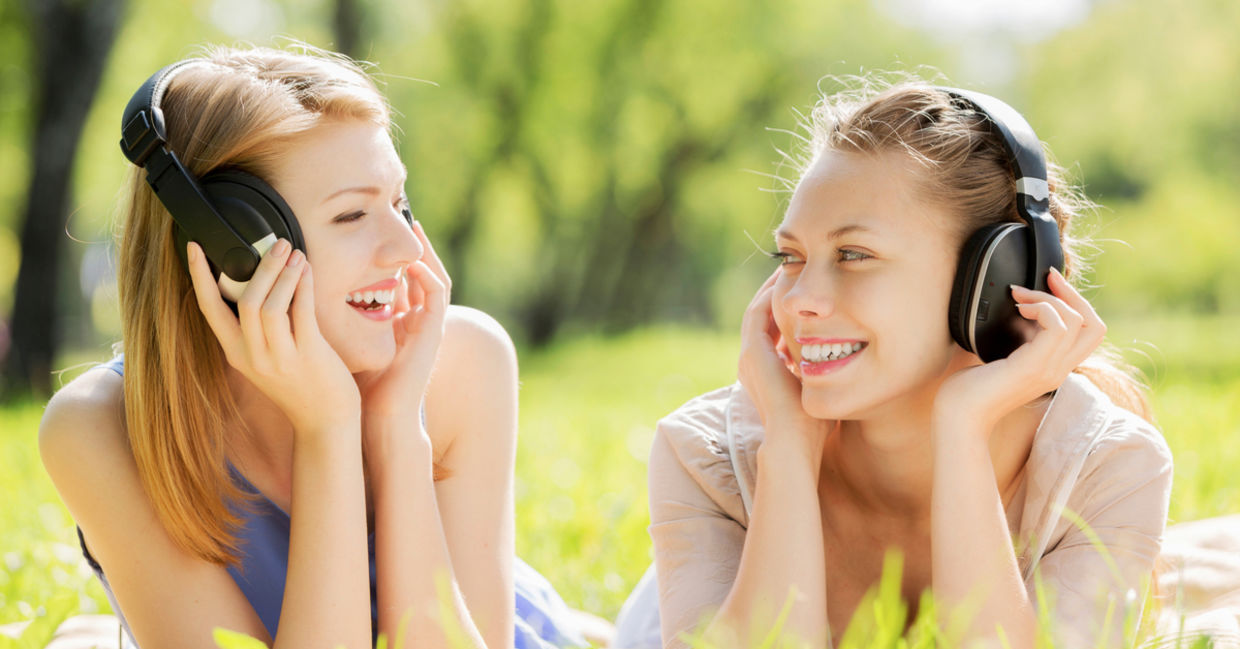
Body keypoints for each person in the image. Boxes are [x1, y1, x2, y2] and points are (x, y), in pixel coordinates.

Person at [38, 45, 588, 649]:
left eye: (401, 205)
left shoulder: (463, 359)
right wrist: (327, 427)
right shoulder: (100, 428)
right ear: (235, 246)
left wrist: (396, 427)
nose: (406, 249)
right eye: (353, 215)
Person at [635, 81, 1178, 649]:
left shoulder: (1109, 469)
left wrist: (963, 426)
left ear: (994, 281)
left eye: (854, 255)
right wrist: (790, 448)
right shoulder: (704, 453)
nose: (797, 301)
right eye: (791, 257)